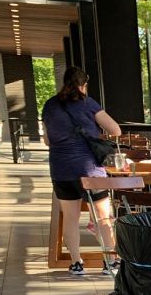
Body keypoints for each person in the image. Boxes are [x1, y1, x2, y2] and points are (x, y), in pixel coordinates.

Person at [41, 66, 122, 277]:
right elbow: (115, 130)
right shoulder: (88, 103)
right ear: (83, 85)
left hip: (60, 169)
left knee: (70, 217)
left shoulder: (50, 105)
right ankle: (110, 261)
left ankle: (77, 263)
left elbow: (47, 140)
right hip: (89, 170)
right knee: (103, 216)